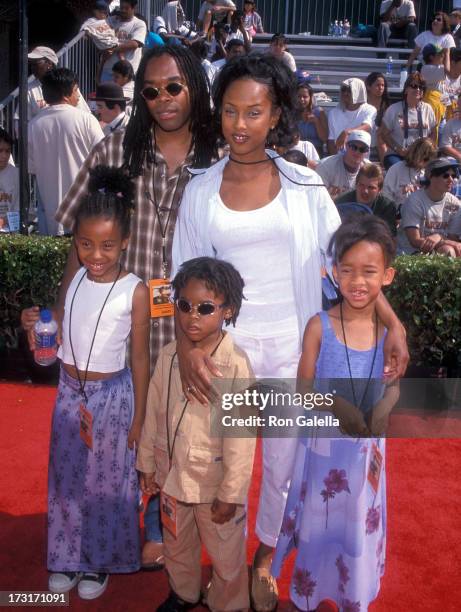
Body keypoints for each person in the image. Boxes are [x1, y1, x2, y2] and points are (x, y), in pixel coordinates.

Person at [172, 53, 409, 612]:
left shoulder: (304, 186)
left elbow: (349, 264)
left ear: (275, 112)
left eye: (253, 111)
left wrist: (392, 324)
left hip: (290, 352)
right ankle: (225, 568)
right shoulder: (200, 190)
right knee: (214, 464)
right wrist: (187, 348)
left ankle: (265, 557)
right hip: (224, 356)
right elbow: (180, 279)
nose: (239, 124)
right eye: (230, 111)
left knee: (280, 466)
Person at [54, 45, 217, 571]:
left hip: (192, 329)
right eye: (150, 90)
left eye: (174, 86)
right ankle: (112, 528)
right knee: (117, 439)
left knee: (184, 441)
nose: (163, 99)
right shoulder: (114, 150)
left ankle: (157, 527)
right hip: (119, 334)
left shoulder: (219, 161)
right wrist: (62, 322)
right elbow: (76, 243)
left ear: (194, 85)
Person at [21, 166, 150, 599]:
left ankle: (100, 562)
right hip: (68, 393)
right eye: (86, 244)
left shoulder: (134, 290)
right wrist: (38, 326)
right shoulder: (75, 277)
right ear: (75, 243)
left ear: (126, 243)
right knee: (66, 479)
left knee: (108, 484)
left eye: (108, 245)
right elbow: (59, 322)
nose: (96, 254)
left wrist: (140, 419)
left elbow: (140, 356)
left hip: (112, 398)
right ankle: (67, 557)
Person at [272, 215, 400, 612]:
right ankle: (309, 593)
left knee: (355, 527)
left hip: (365, 456)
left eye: (369, 272)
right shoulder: (319, 327)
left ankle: (353, 595)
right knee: (319, 522)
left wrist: (385, 406)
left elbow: (394, 386)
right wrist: (335, 404)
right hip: (324, 450)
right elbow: (304, 390)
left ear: (388, 276)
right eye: (347, 271)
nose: (358, 282)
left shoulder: (386, 337)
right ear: (332, 273)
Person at [137, 256, 256, 612]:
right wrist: (146, 464)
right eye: (185, 305)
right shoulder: (170, 356)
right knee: (176, 545)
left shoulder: (236, 366)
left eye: (205, 308)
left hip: (213, 483)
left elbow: (241, 436)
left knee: (226, 554)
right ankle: (184, 593)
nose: (192, 316)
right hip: (171, 478)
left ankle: (229, 603)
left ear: (228, 311)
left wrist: (232, 492)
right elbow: (153, 413)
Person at [28, 68, 104, 235]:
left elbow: (32, 168)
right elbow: (103, 161)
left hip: (50, 217)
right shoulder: (87, 120)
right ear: (66, 93)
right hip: (83, 212)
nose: (78, 95)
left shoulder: (34, 125)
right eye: (76, 89)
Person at [398, 156, 461, 256]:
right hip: (410, 254)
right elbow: (414, 241)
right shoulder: (414, 200)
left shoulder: (455, 203)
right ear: (431, 176)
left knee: (450, 250)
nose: (451, 180)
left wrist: (439, 237)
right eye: (445, 175)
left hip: (437, 250)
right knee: (447, 250)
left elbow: (453, 239)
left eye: (453, 176)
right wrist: (441, 239)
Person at [378, 72, 436, 169]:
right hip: (398, 154)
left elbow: (433, 133)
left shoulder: (428, 108)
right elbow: (383, 134)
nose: (418, 89)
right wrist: (398, 149)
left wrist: (427, 151)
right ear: (406, 90)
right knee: (397, 167)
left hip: (421, 155)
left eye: (421, 87)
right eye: (414, 86)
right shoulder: (394, 109)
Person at [16, 46, 90, 122]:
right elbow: (20, 120)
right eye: (31, 64)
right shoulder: (28, 89)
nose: (32, 67)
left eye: (36, 63)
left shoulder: (67, 84)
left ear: (49, 64)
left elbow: (84, 113)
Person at [334, 163, 397, 235]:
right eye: (361, 185)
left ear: (379, 190)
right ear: (356, 185)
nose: (365, 191)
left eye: (371, 187)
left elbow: (390, 238)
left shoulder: (387, 207)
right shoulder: (341, 203)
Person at [382, 136, 436, 212]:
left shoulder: (430, 172)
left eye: (429, 159)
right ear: (415, 154)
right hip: (398, 213)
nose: (426, 162)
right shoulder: (396, 169)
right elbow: (386, 196)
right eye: (425, 159)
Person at [100, 0, 147, 83]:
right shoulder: (111, 20)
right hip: (108, 72)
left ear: (134, 8)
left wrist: (113, 48)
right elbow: (100, 36)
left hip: (126, 76)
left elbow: (134, 44)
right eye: (121, 7)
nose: (123, 10)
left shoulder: (139, 24)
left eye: (126, 8)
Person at [327, 78, 376, 154]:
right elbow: (331, 140)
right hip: (338, 159)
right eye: (343, 90)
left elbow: (367, 126)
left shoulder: (369, 109)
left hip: (360, 158)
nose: (345, 93)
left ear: (358, 91)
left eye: (349, 90)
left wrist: (347, 132)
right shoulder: (333, 113)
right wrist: (334, 160)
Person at [317, 130, 371, 198]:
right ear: (346, 146)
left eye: (362, 149)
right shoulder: (325, 166)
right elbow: (317, 197)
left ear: (367, 152)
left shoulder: (370, 170)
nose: (357, 152)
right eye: (353, 147)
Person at [420, 43, 450, 135]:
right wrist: (448, 53)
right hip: (431, 111)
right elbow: (448, 70)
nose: (443, 55)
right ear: (431, 57)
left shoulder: (438, 67)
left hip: (441, 111)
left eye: (443, 54)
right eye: (440, 54)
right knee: (432, 141)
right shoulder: (426, 69)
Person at [297, 81, 328, 156]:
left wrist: (316, 122)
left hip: (315, 151)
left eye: (305, 96)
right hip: (298, 151)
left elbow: (324, 138)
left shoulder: (319, 112)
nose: (302, 99)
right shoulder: (292, 113)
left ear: (311, 97)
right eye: (299, 96)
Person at [365, 72, 389, 162]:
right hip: (367, 134)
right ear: (368, 86)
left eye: (383, 85)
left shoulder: (386, 104)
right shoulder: (363, 102)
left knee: (380, 134)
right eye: (377, 85)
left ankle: (384, 164)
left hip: (381, 137)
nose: (381, 88)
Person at [0, 128, 19, 232]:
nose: (4, 156)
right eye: (0, 151)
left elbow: (21, 209)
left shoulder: (16, 175)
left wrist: (5, 220)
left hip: (10, 233)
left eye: (7, 151)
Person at [441, 91, 461, 161]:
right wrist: (459, 156)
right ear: (458, 104)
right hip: (456, 160)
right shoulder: (450, 123)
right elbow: (445, 146)